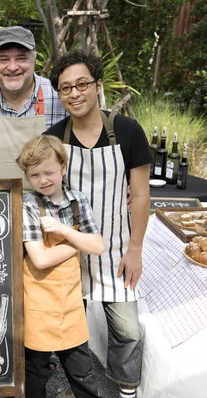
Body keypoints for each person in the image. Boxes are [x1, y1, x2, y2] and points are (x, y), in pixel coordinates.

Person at [44, 50, 151, 398]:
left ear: (98, 86)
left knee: (128, 331)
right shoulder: (54, 137)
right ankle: (74, 384)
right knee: (65, 325)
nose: (74, 93)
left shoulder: (127, 131)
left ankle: (127, 390)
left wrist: (135, 249)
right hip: (69, 250)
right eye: (65, 88)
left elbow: (142, 196)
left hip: (116, 248)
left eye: (81, 84)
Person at [16, 135, 103, 398]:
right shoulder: (29, 205)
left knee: (81, 371)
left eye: (49, 172)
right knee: (35, 372)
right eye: (34, 175)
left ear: (63, 167)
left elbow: (98, 246)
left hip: (70, 302)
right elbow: (40, 260)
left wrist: (64, 230)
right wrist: (77, 244)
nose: (43, 181)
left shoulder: (78, 201)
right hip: (39, 302)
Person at [0, 26, 67, 185]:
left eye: (21, 58)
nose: (12, 67)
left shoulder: (59, 97)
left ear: (34, 61)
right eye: (4, 59)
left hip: (48, 206)